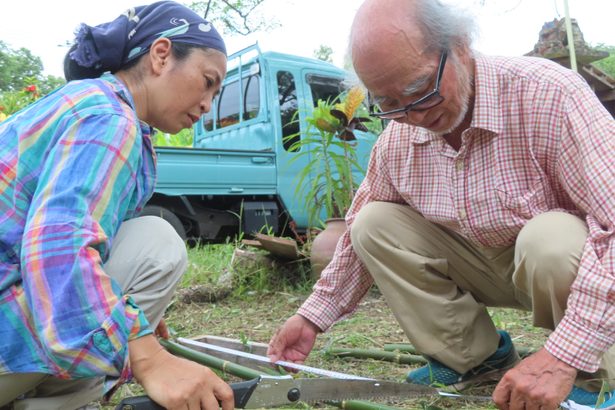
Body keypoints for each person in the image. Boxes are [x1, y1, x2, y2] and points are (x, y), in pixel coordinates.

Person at [268, 0, 615, 409]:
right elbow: (357, 243)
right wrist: (311, 318)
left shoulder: (548, 95)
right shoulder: (397, 139)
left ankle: (593, 376)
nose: (412, 114)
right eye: (388, 102)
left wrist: (564, 354)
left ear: (461, 46)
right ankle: (478, 359)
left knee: (550, 239)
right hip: (485, 264)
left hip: (556, 267)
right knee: (372, 223)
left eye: (419, 90)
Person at [0, 2, 233, 409]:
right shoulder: (110, 117)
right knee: (157, 242)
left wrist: (127, 307)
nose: (208, 105)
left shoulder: (84, 101)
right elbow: (56, 247)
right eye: (207, 81)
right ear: (161, 55)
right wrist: (147, 354)